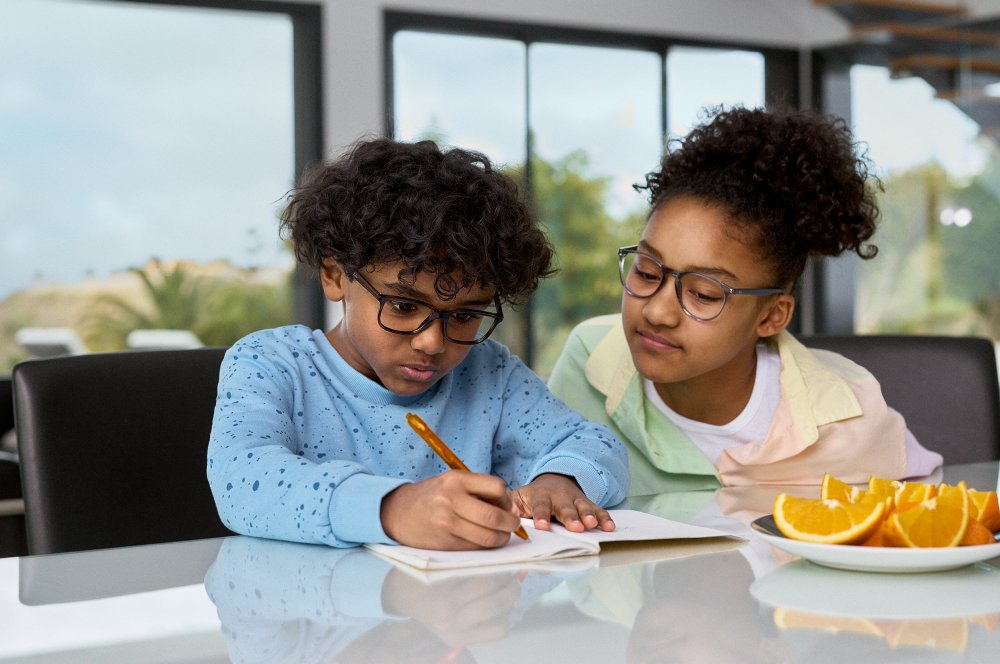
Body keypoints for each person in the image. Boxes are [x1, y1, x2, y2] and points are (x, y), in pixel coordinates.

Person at [207, 138, 629, 550]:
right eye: (404, 306)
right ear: (335, 275)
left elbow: (596, 444)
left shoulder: (489, 374)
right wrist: (394, 509)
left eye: (464, 315)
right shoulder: (272, 364)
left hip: (460, 610)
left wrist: (561, 480)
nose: (432, 342)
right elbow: (242, 478)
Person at [548, 106, 942, 495]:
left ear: (772, 316)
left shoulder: (847, 414)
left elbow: (928, 515)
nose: (656, 311)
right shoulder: (591, 355)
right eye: (647, 272)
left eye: (703, 294)